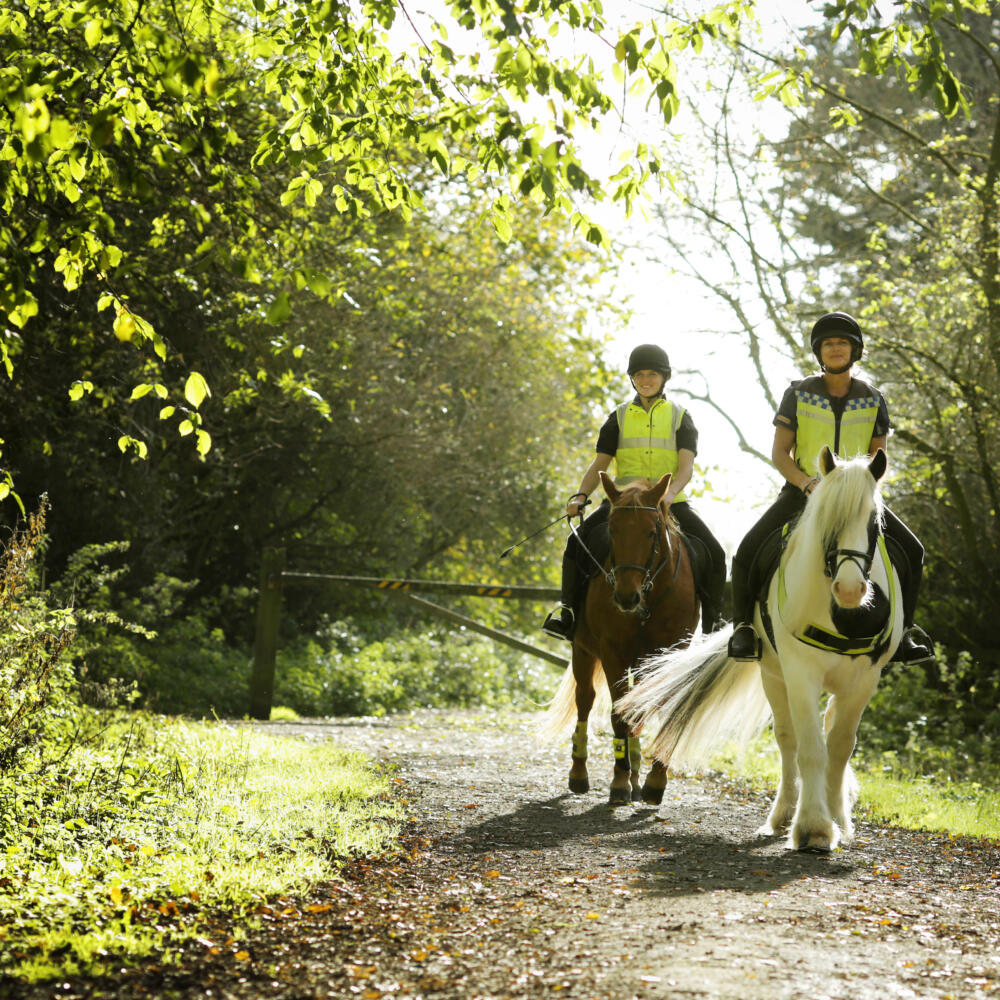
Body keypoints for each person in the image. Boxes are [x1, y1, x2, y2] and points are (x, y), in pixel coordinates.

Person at [727, 311, 933, 664]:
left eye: (842, 343)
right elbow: (780, 453)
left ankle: (905, 634)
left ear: (855, 351)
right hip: (802, 491)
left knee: (913, 551)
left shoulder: (874, 399)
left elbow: (878, 457)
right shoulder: (797, 394)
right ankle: (744, 629)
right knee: (746, 550)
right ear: (818, 352)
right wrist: (806, 482)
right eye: (828, 344)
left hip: (856, 495)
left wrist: (862, 488)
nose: (835, 348)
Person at [541, 343, 726, 641]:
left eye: (652, 374)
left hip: (668, 501)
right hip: (624, 504)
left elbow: (686, 467)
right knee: (576, 544)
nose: (646, 380)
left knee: (713, 551)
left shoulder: (681, 417)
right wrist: (580, 495)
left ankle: (714, 621)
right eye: (639, 374)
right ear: (632, 378)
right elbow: (600, 463)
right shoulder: (618, 416)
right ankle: (569, 613)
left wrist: (668, 494)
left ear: (664, 377)